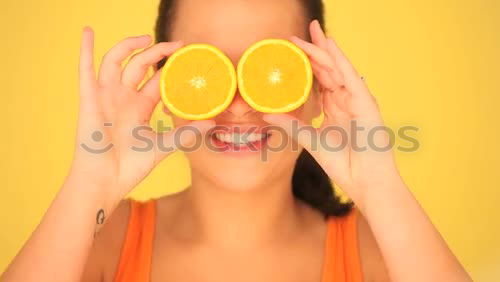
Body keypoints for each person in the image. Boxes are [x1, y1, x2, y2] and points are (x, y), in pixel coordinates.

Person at [1, 0, 471, 281]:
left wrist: (380, 186)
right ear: (166, 89)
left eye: (270, 71)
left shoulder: (381, 251)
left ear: (317, 87)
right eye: (209, 69)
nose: (241, 105)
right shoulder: (103, 242)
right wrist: (87, 189)